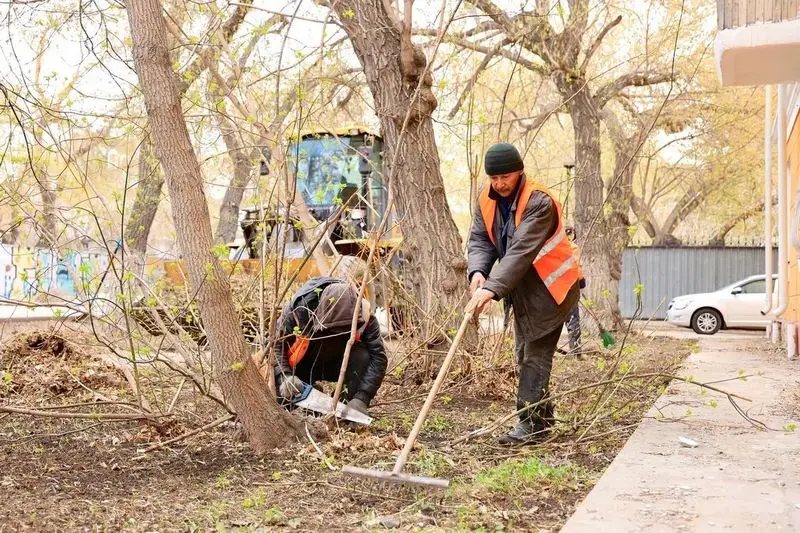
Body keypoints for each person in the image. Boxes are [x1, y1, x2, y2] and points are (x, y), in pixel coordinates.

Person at [467, 143, 581, 445]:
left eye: (505, 177)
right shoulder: (487, 199)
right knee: (522, 354)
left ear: (519, 171)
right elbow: (480, 239)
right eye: (493, 178)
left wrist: (492, 288)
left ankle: (530, 424)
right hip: (523, 290)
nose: (499, 184)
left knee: (534, 357)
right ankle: (542, 419)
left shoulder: (539, 201)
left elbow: (520, 252)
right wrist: (478, 271)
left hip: (553, 290)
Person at [273, 276, 387, 415]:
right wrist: (285, 376)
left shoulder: (364, 316)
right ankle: (310, 391)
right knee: (281, 402)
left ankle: (344, 403)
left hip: (337, 364)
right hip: (302, 365)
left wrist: (362, 397)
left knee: (363, 356)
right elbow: (276, 345)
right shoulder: (299, 310)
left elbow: (378, 357)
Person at [564, 226, 585, 356]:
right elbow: (575, 267)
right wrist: (581, 281)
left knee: (554, 320)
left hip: (554, 288)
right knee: (573, 319)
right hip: (570, 287)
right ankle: (576, 351)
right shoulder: (573, 247)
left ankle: (549, 350)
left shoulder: (553, 247)